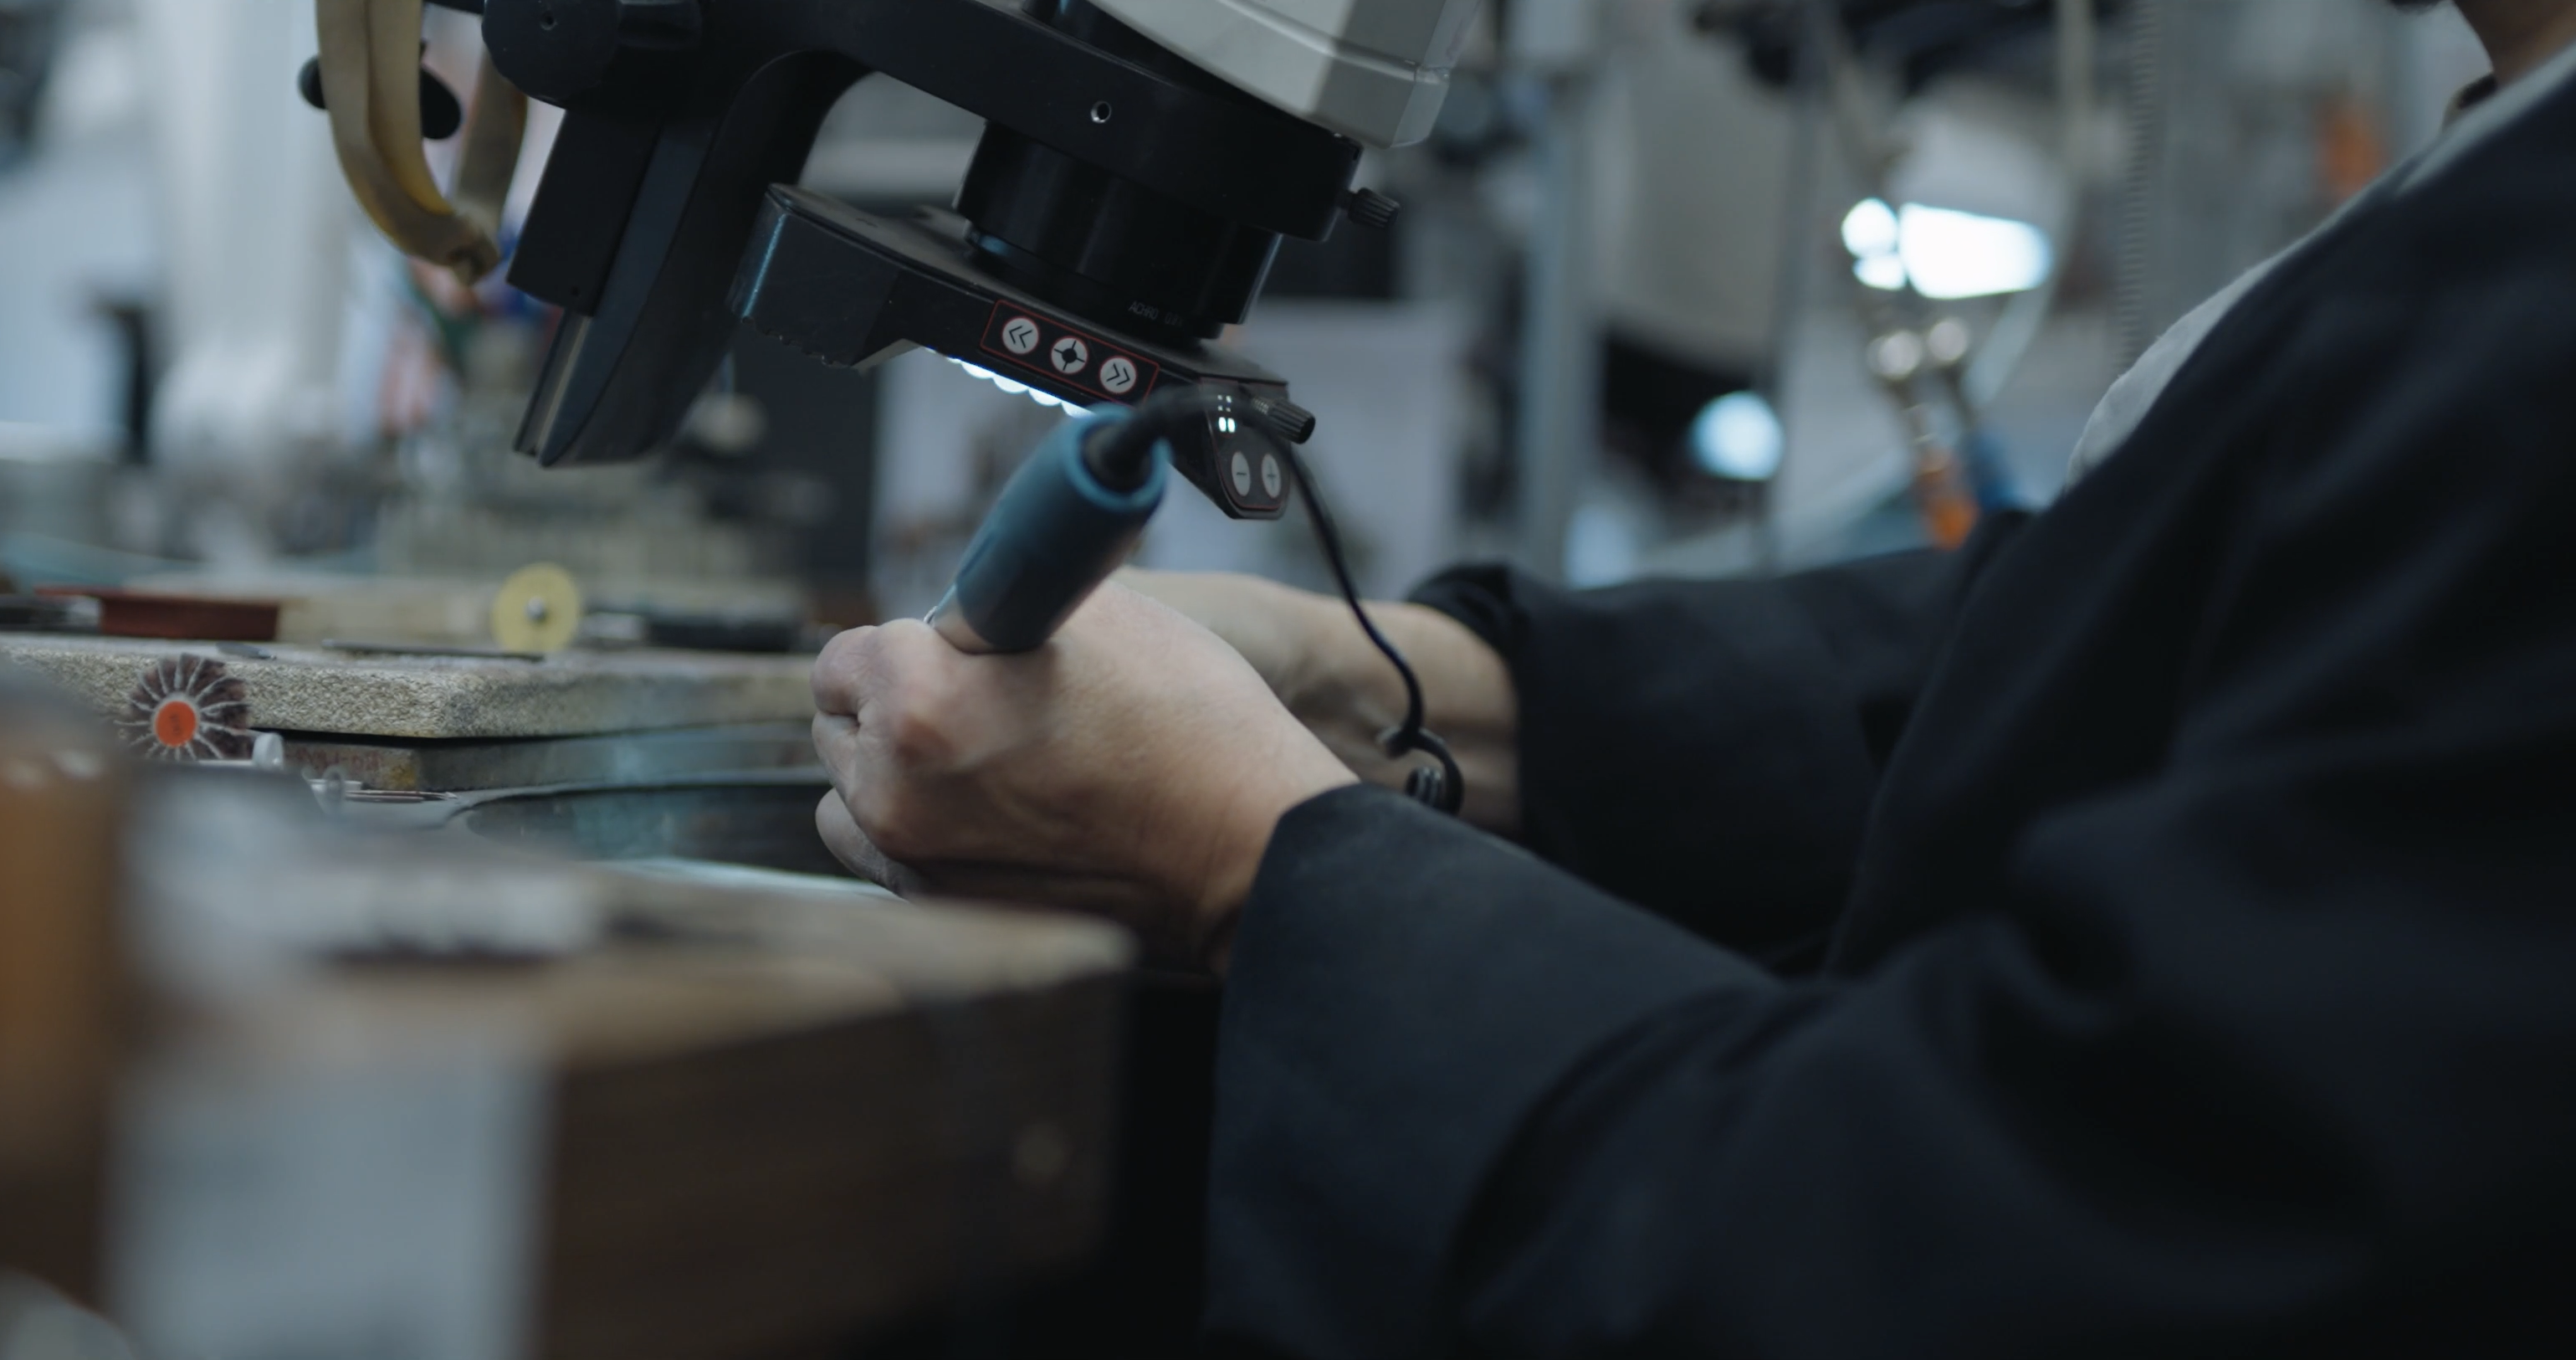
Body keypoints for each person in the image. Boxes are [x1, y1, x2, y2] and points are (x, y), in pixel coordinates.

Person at [807, 0, 2576, 1353]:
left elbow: (2047, 1236)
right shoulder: (2480, 192)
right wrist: (1385, 682)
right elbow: (2057, 687)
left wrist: (1259, 858)